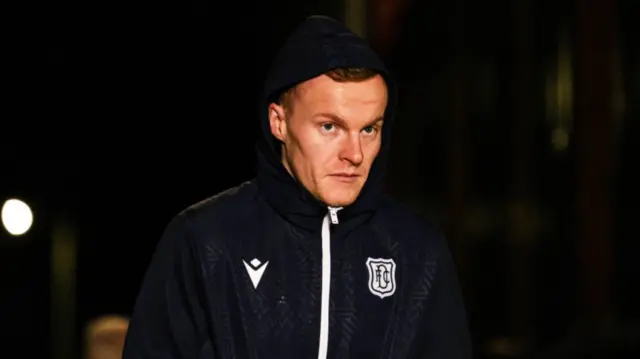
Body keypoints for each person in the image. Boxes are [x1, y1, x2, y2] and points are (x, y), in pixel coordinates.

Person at [122, 15, 471, 359]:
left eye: (369, 129)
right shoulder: (204, 240)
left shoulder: (417, 249)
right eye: (330, 127)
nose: (355, 154)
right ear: (279, 122)